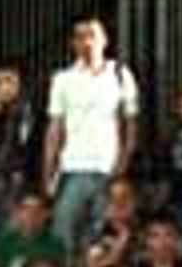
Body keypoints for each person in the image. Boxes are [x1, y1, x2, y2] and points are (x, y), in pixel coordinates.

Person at [39, 16, 141, 244]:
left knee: (100, 239)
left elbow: (131, 125)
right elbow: (55, 128)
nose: (86, 41)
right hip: (72, 168)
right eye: (79, 36)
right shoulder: (62, 79)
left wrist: (122, 167)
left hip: (108, 169)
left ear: (104, 40)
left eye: (92, 35)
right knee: (62, 236)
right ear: (73, 43)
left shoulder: (121, 75)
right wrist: (47, 173)